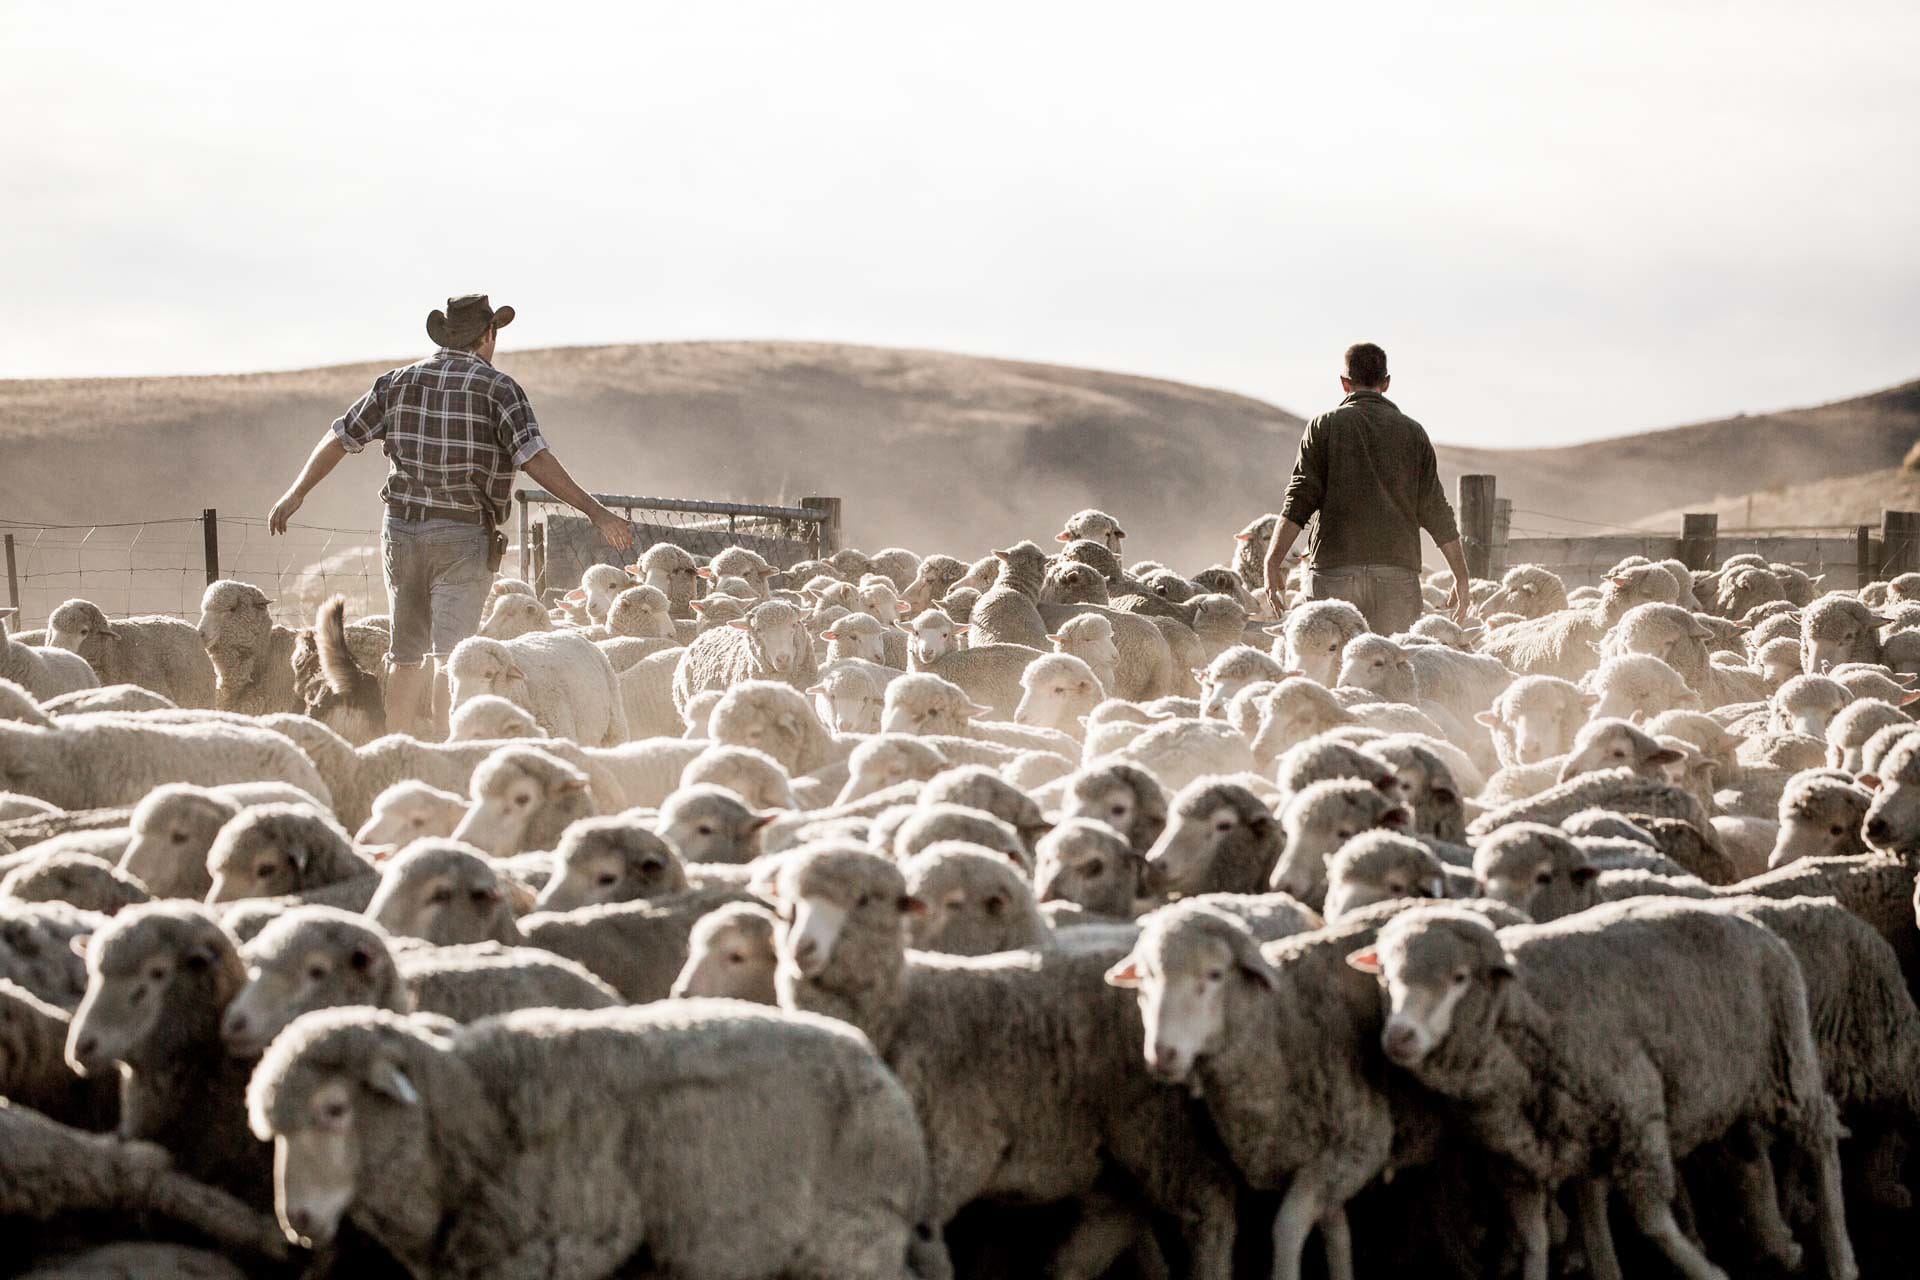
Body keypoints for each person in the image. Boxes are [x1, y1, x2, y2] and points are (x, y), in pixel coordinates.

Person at [268, 294, 634, 734]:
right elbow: (534, 457)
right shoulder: (498, 388)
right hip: (462, 535)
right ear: (488, 335)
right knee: (451, 657)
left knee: (405, 654)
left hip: (401, 532)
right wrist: (595, 511)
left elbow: (340, 438)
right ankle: (449, 751)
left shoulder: (397, 382)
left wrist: (296, 493)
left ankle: (398, 749)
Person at [1261, 343, 1471, 634]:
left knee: (1332, 668)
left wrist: (1273, 562)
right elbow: (1435, 510)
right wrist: (1461, 576)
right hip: (1396, 575)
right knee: (1389, 667)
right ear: (1386, 383)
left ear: (1345, 384)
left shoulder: (1323, 427)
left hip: (1335, 573)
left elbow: (1299, 499)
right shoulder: (1413, 433)